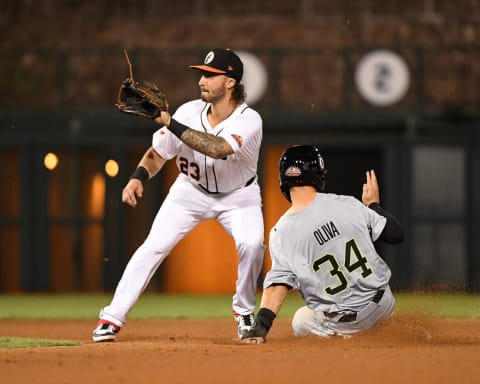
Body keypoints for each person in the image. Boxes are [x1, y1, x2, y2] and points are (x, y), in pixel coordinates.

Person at [93, 48, 266, 342]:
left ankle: (244, 311)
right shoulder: (187, 112)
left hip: (240, 195)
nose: (202, 80)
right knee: (153, 247)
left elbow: (216, 148)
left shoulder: (250, 120)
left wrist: (169, 122)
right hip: (190, 191)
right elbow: (158, 154)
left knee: (252, 244)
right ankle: (111, 317)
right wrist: (138, 176)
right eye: (202, 73)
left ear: (230, 82)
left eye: (211, 75)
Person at [241, 144, 404, 344]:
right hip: (383, 307)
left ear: (284, 179)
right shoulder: (348, 203)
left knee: (301, 320)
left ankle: (346, 340)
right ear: (317, 174)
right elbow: (396, 234)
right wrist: (373, 206)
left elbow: (278, 287)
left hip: (345, 325)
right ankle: (393, 333)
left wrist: (260, 327)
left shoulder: (281, 233)